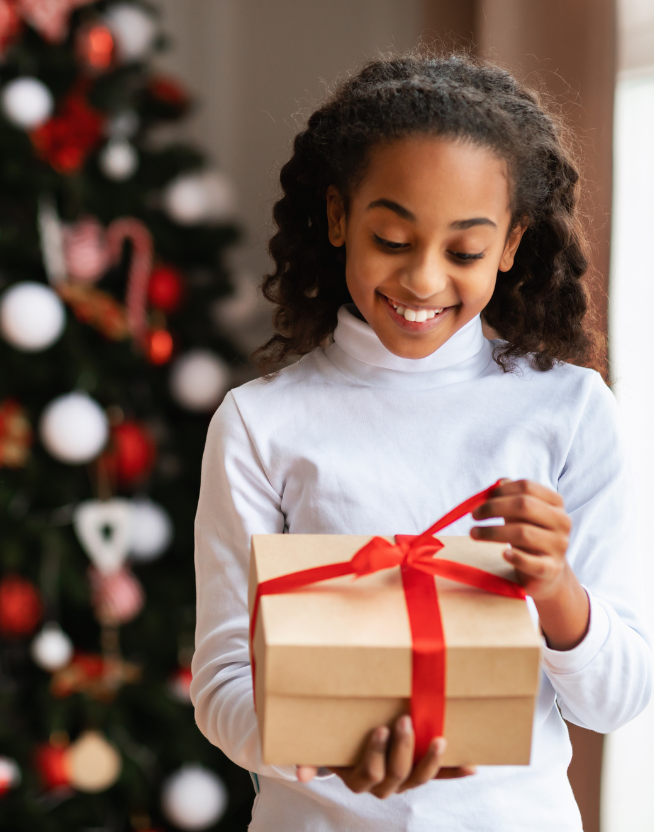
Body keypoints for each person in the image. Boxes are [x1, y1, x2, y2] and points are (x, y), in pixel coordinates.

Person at [190, 50, 653, 831]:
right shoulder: (260, 424)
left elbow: (617, 699)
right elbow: (224, 681)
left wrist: (558, 595)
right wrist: (321, 741)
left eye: (465, 251)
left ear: (511, 245)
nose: (424, 281)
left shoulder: (569, 411)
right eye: (393, 239)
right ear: (339, 218)